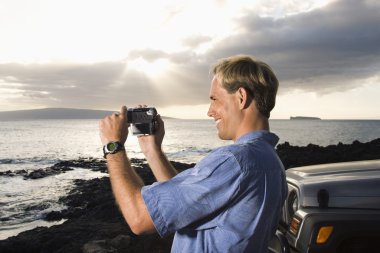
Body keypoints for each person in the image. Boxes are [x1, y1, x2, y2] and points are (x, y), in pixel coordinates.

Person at [99, 55, 288, 253]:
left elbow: (138, 217)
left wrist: (113, 147)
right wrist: (151, 150)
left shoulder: (234, 162)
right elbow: (188, 201)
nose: (210, 111)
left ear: (241, 97)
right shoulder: (271, 161)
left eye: (214, 99)